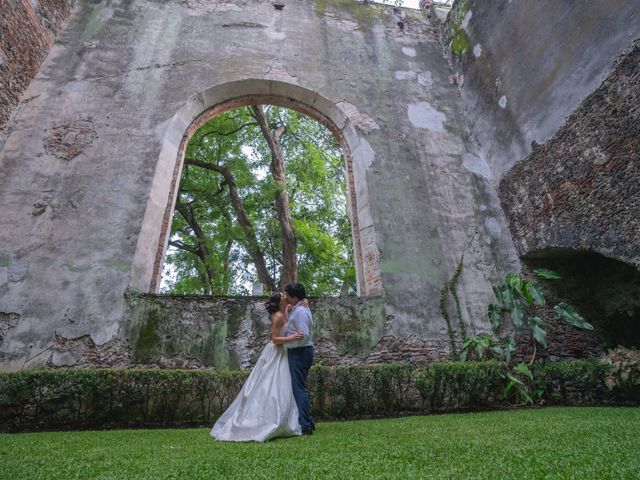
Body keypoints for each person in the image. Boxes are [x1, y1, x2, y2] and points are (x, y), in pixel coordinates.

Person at [210, 291, 304, 442]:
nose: (285, 295)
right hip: (275, 353)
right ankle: (263, 421)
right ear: (280, 301)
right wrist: (292, 337)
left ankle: (283, 420)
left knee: (282, 387)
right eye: (282, 295)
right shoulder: (278, 316)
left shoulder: (284, 312)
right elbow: (274, 339)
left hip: (282, 353)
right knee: (268, 386)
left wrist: (299, 305)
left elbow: (295, 309)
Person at [283, 282, 315, 435]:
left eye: (288, 296)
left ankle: (306, 426)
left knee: (298, 389)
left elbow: (303, 335)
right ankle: (308, 421)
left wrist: (288, 339)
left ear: (295, 297)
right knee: (299, 387)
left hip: (300, 351)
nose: (286, 298)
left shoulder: (301, 312)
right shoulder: (298, 308)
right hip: (299, 351)